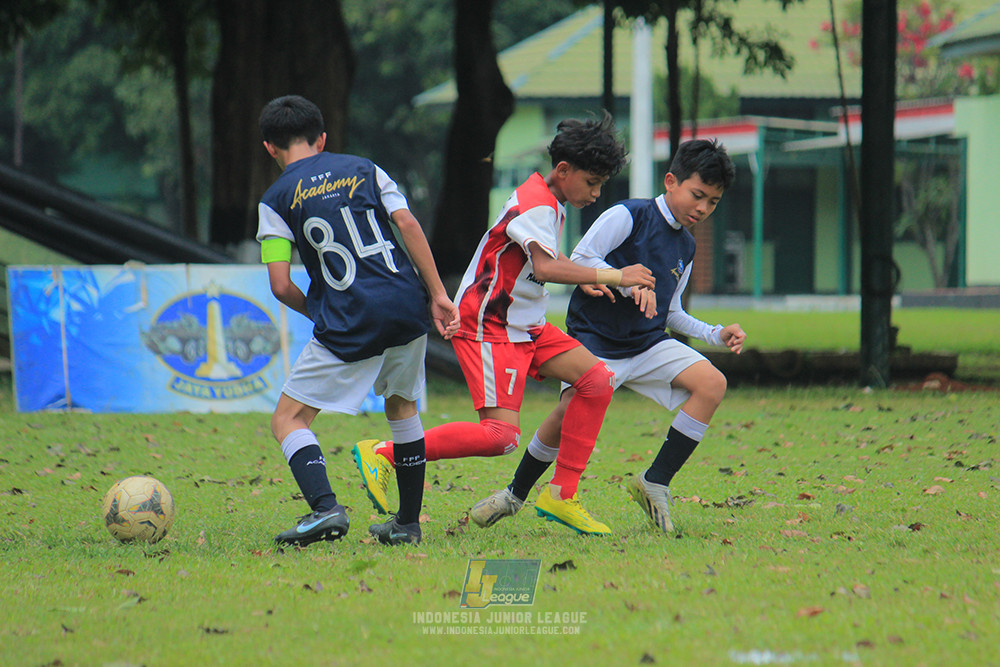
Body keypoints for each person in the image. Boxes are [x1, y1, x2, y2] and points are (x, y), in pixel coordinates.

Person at [352, 112, 655, 535]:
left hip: (525, 324)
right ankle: (385, 451)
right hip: (489, 325)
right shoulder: (535, 203)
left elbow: (543, 264)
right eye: (592, 183)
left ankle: (562, 495)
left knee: (596, 380)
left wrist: (585, 281)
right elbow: (547, 268)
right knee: (500, 437)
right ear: (564, 170)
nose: (597, 193)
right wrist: (614, 275)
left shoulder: (550, 203)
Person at [470, 138, 746, 535]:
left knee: (712, 384)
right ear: (671, 181)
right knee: (566, 414)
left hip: (647, 343)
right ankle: (515, 494)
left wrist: (717, 334)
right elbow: (579, 258)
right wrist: (627, 283)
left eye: (713, 202)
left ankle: (656, 481)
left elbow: (672, 313)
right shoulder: (628, 214)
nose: (702, 209)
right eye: (697, 195)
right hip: (595, 339)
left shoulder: (686, 244)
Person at [256, 95, 459, 547]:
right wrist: (439, 295)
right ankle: (407, 524)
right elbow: (406, 223)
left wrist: (322, 310)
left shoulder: (274, 200)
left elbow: (280, 284)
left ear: (270, 148)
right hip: (406, 307)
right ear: (322, 138)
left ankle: (325, 508)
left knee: (289, 419)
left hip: (350, 320)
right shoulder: (366, 168)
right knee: (403, 408)